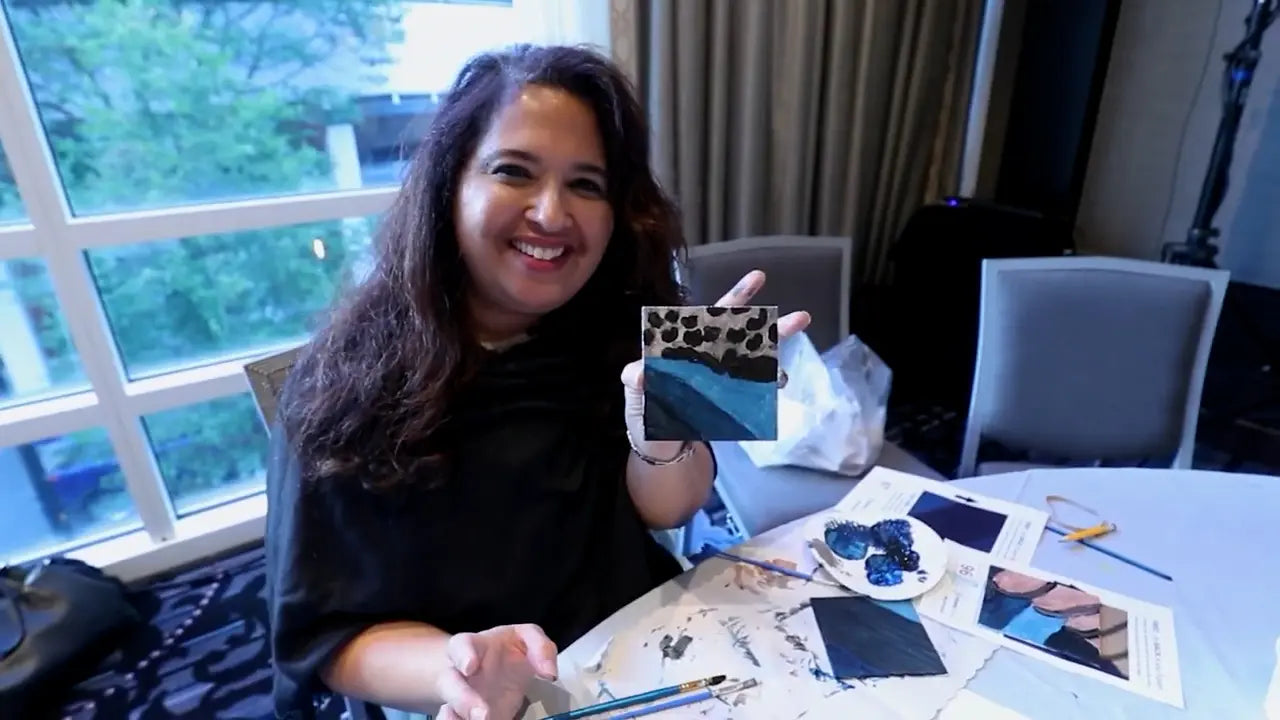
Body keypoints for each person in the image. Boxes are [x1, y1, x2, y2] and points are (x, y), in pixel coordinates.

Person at [265, 44, 811, 720]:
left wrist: (665, 422)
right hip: (456, 690)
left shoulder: (630, 314)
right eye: (513, 172)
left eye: (587, 185)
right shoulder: (346, 378)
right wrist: (458, 667)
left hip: (637, 644)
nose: (552, 215)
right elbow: (328, 634)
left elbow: (668, 510)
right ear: (448, 186)